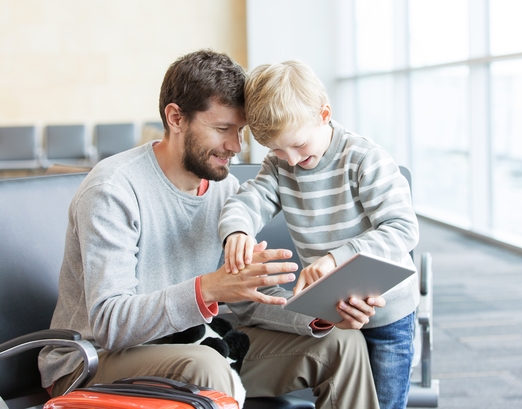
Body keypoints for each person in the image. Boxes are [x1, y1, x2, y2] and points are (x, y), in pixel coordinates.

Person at [38, 49, 381, 409]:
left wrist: (321, 314)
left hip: (197, 344)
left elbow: (248, 304)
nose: (235, 146)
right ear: (175, 118)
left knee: (342, 344)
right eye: (221, 129)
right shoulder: (113, 190)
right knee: (207, 366)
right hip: (95, 360)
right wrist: (210, 288)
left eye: (240, 131)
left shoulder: (226, 191)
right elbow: (111, 323)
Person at [218, 60, 421, 409]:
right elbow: (250, 199)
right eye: (278, 150)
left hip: (388, 316)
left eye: (297, 145)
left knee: (385, 403)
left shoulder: (364, 159)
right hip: (335, 308)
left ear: (324, 114)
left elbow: (402, 229)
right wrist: (236, 229)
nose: (292, 160)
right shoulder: (280, 165)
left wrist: (336, 259)